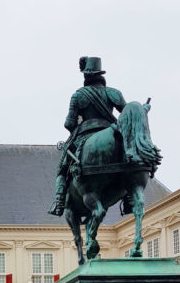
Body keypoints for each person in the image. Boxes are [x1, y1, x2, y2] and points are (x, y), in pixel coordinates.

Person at [48, 56, 126, 216]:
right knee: (130, 161)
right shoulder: (114, 93)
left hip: (84, 136)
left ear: (86, 75)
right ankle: (130, 198)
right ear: (100, 74)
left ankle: (59, 202)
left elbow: (69, 124)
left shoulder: (78, 96)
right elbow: (126, 116)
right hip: (113, 132)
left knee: (62, 169)